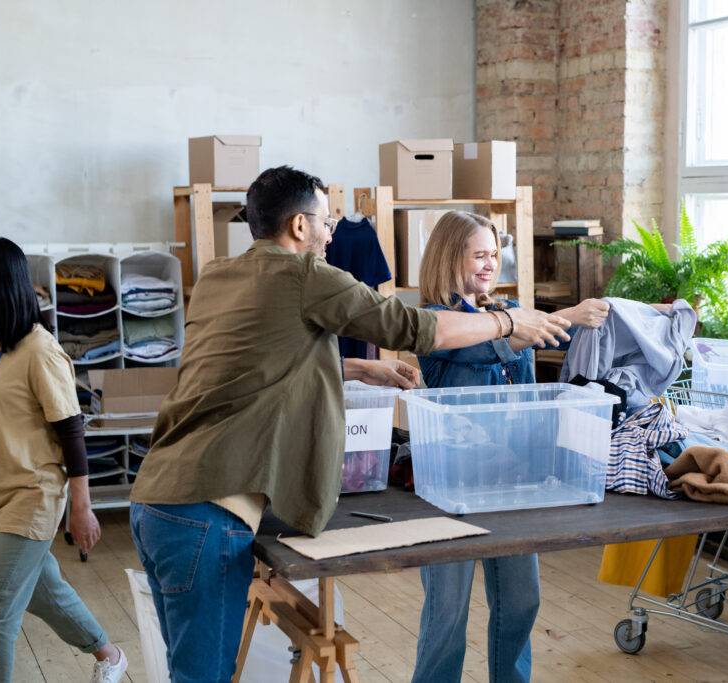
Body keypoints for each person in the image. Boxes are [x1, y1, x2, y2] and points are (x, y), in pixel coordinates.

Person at [128, 167, 572, 681]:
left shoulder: (217, 276)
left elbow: (256, 364)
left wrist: (362, 367)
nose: (332, 231)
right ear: (299, 226)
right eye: (327, 219)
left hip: (156, 501)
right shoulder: (305, 275)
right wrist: (510, 321)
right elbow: (414, 327)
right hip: (208, 509)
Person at [411, 211, 609, 683]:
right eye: (478, 254)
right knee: (447, 614)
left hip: (513, 479)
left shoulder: (502, 315)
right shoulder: (435, 321)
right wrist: (567, 315)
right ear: (447, 257)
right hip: (452, 484)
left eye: (495, 255)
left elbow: (527, 353)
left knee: (522, 599)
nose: (489, 264)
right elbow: (485, 347)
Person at [0, 238, 128, 683]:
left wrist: (82, 506)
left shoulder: (40, 350)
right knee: (44, 591)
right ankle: (110, 655)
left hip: (32, 495)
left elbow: (71, 430)